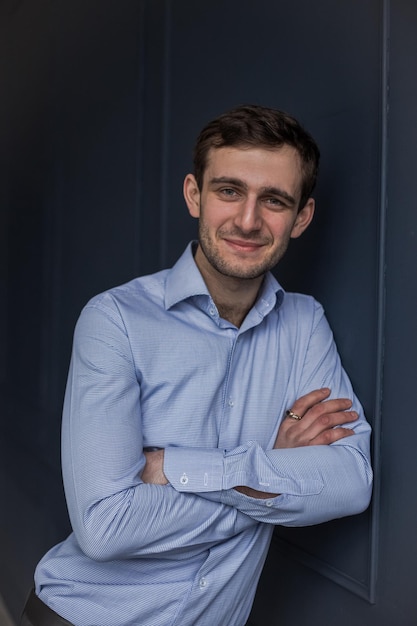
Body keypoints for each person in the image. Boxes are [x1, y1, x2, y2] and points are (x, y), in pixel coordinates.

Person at [22, 104, 373, 626]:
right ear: (195, 195)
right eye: (229, 191)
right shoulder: (115, 320)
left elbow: (350, 480)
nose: (248, 220)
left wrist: (183, 468)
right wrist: (271, 468)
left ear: (301, 217)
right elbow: (104, 526)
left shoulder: (304, 325)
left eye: (273, 200)